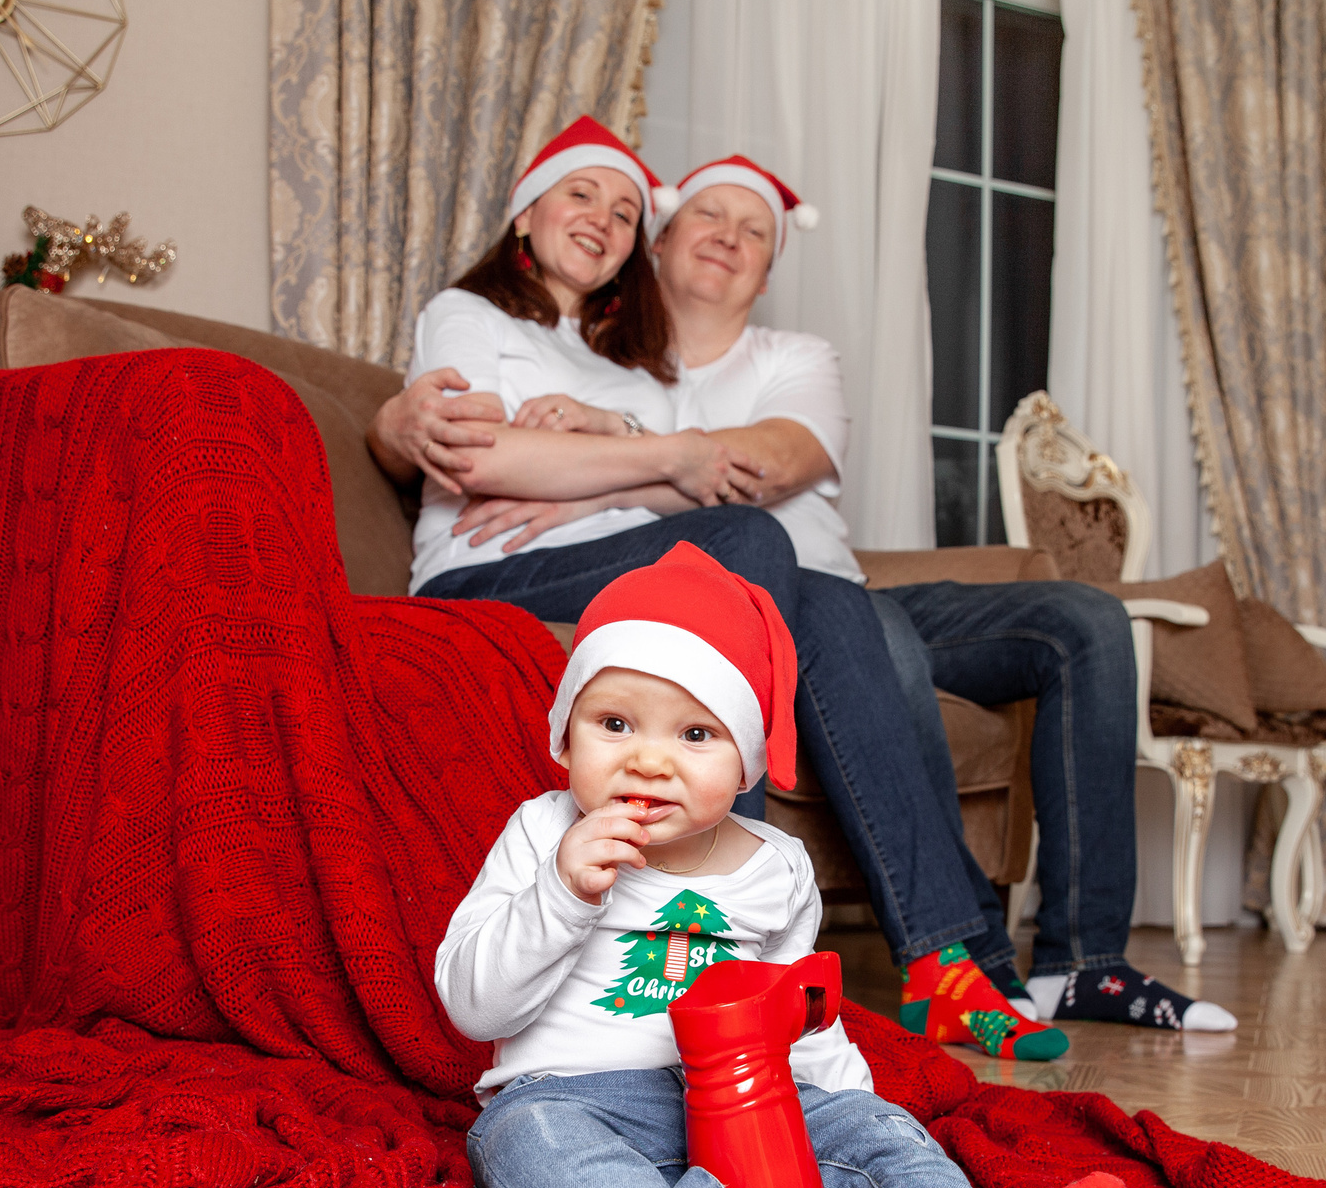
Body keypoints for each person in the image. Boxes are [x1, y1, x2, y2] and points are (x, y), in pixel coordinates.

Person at [381, 151, 1236, 1036]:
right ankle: (786, 934)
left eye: (755, 230)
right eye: (705, 217)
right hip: (604, 570)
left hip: (791, 575)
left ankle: (1012, 963)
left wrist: (601, 466)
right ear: (660, 246)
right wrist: (414, 429)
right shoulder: (589, 347)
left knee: (1030, 613)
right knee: (796, 578)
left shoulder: (700, 364)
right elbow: (476, 447)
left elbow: (734, 470)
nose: (728, 239)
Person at [437, 544, 1143, 1188]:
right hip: (576, 1100)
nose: (647, 759)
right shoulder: (541, 834)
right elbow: (472, 1003)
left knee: (866, 1126)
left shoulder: (776, 867)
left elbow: (805, 1023)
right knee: (519, 1146)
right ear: (565, 740)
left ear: (748, 765)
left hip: (747, 1108)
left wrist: (855, 1114)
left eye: (696, 733)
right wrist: (561, 892)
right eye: (614, 723)